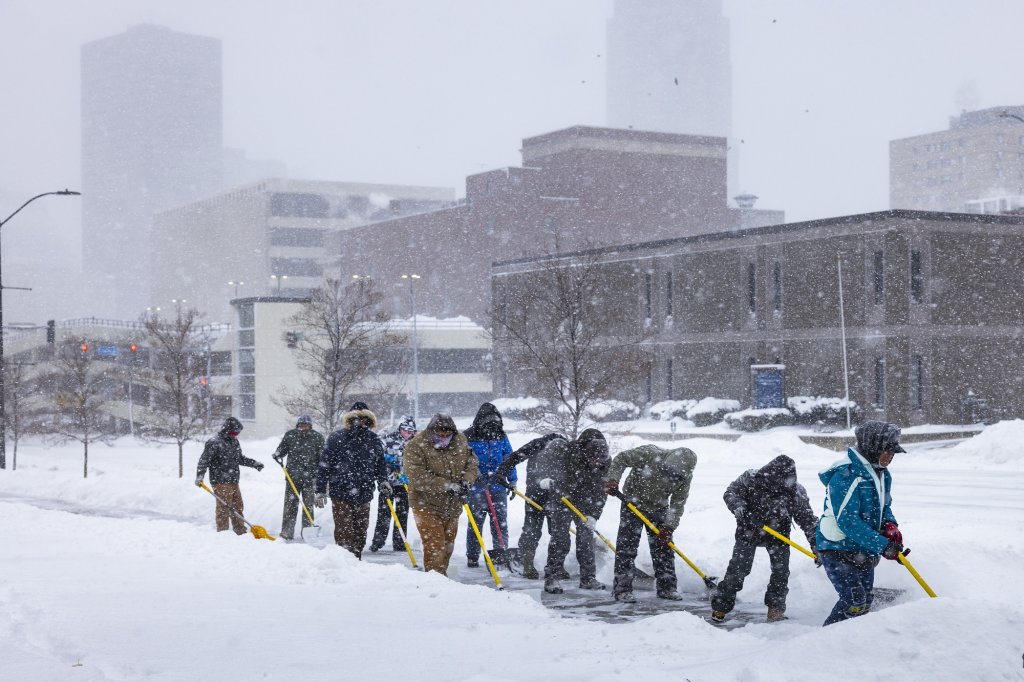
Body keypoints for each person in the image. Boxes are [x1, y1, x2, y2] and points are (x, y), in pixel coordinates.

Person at [495, 429, 610, 594]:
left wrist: (594, 515)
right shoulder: (562, 452)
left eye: (599, 460)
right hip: (554, 493)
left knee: (585, 536)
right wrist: (501, 472)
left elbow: (601, 491)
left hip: (583, 497)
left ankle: (588, 578)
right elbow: (522, 459)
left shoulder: (604, 461)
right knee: (557, 535)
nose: (596, 463)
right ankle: (549, 575)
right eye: (593, 459)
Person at [816, 420, 905, 626]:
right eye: (886, 451)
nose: (890, 457)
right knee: (854, 602)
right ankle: (825, 640)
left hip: (863, 547)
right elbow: (848, 522)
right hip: (837, 546)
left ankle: (854, 642)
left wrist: (890, 525)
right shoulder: (846, 475)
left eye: (893, 453)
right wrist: (883, 546)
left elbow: (884, 506)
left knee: (865, 602)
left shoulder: (882, 474)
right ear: (872, 447)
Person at [710, 455, 819, 623]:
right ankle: (720, 606)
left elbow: (808, 521)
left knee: (781, 573)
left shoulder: (796, 492)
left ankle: (775, 609)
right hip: (749, 531)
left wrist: (817, 546)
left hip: (779, 535)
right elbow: (731, 493)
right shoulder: (751, 478)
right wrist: (739, 508)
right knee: (738, 569)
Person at [603, 444, 697, 603]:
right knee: (627, 548)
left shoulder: (685, 477)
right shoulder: (648, 453)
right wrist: (613, 479)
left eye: (676, 476)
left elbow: (677, 504)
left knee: (664, 548)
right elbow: (621, 459)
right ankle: (622, 589)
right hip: (632, 503)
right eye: (668, 472)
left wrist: (669, 527)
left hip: (658, 507)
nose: (671, 477)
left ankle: (667, 588)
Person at [403, 414, 478, 575]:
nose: (443, 438)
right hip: (426, 504)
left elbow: (472, 463)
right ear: (431, 431)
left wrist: (466, 481)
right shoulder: (416, 445)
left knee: (447, 547)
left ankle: (440, 576)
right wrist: (447, 486)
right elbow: (416, 476)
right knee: (435, 546)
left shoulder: (460, 441)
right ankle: (436, 581)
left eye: (447, 435)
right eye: (439, 434)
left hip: (452, 505)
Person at [314, 402, 389, 558]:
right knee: (344, 531)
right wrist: (320, 490)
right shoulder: (336, 438)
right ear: (350, 419)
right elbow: (324, 465)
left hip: (364, 492)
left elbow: (380, 464)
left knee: (361, 531)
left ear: (368, 420)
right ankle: (345, 561)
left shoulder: (373, 439)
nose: (360, 422)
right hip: (340, 492)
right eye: (356, 418)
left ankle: (356, 560)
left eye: (363, 418)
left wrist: (383, 480)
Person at [462, 403, 517, 568]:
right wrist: (475, 473)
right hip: (477, 489)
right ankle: (472, 556)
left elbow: (509, 457)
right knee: (476, 523)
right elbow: (462, 459)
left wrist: (512, 480)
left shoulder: (501, 435)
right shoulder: (468, 436)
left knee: (500, 523)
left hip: (498, 486)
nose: (492, 431)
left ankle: (501, 553)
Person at [195, 416, 264, 534]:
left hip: (233, 480)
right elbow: (204, 461)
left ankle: (240, 531)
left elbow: (239, 458)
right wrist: (200, 476)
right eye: (234, 432)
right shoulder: (214, 442)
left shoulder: (234, 441)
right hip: (220, 480)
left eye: (237, 433)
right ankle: (223, 533)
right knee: (224, 508)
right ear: (227, 430)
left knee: (238, 507)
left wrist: (254, 464)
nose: (235, 435)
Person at [273, 415, 326, 541]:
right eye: (301, 425)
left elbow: (322, 458)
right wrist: (277, 454)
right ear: (298, 425)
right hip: (292, 478)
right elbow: (282, 450)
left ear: (310, 426)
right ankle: (287, 531)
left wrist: (321, 475)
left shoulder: (317, 437)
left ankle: (307, 531)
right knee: (290, 506)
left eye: (306, 425)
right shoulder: (290, 435)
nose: (303, 428)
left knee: (308, 507)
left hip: (310, 479)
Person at [370, 415, 417, 552]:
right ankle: (378, 541)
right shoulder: (388, 439)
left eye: (410, 431)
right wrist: (389, 461)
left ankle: (400, 542)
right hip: (388, 484)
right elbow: (378, 458)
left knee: (402, 514)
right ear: (399, 428)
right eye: (405, 429)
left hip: (404, 484)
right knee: (384, 513)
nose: (407, 433)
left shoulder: (415, 444)